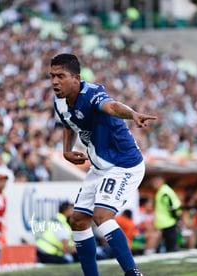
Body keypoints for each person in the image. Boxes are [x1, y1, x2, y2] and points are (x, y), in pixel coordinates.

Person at [50, 53, 156, 276]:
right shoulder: (59, 101)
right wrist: (67, 150)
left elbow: (111, 106)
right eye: (52, 76)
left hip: (123, 164)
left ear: (76, 79)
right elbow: (68, 124)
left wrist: (132, 114)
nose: (54, 81)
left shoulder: (92, 93)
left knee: (101, 216)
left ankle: (133, 273)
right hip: (100, 167)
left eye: (60, 76)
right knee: (78, 220)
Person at [151, 174, 182, 252]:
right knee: (167, 246)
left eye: (155, 182)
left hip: (169, 223)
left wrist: (176, 218)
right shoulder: (162, 190)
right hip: (163, 223)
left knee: (171, 247)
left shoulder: (165, 191)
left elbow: (173, 206)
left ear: (161, 181)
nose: (153, 184)